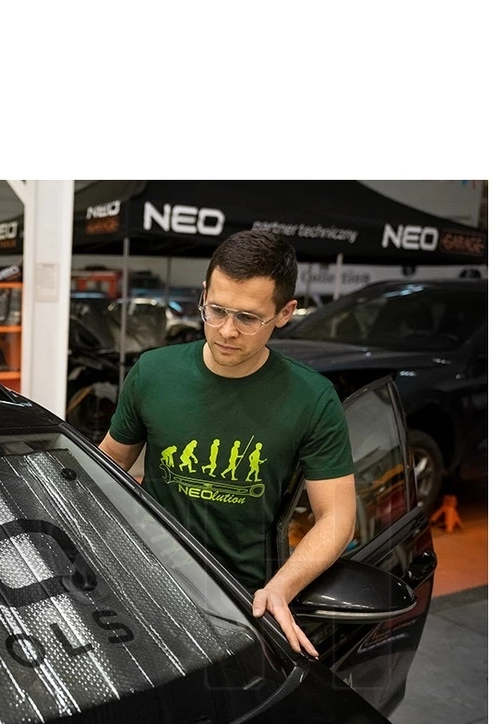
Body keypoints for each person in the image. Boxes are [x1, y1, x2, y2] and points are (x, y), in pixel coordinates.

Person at [97, 230, 356, 657]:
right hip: (144, 584)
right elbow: (107, 467)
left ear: (285, 313)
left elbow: (337, 516)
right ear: (204, 294)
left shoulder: (312, 398)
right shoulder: (154, 373)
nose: (226, 331)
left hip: (241, 602)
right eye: (215, 310)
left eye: (248, 318)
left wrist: (281, 588)